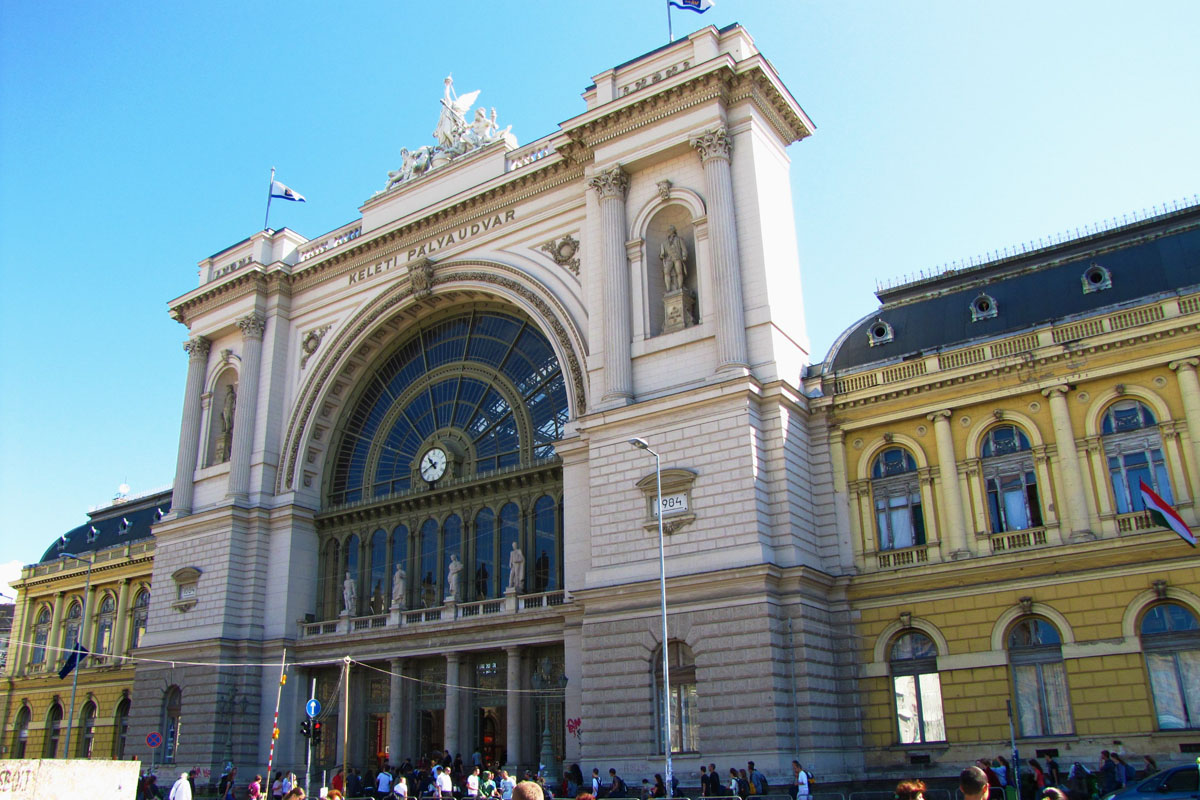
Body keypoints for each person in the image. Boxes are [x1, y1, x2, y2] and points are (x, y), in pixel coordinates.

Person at [660, 225, 688, 292]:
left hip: (677, 258)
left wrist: (684, 256)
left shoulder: (679, 239)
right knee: (666, 272)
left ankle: (680, 287)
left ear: (674, 231)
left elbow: (684, 249)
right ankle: (668, 289)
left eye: (671, 229)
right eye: (668, 230)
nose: (669, 231)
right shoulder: (664, 243)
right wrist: (661, 255)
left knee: (679, 272)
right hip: (669, 259)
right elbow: (662, 253)